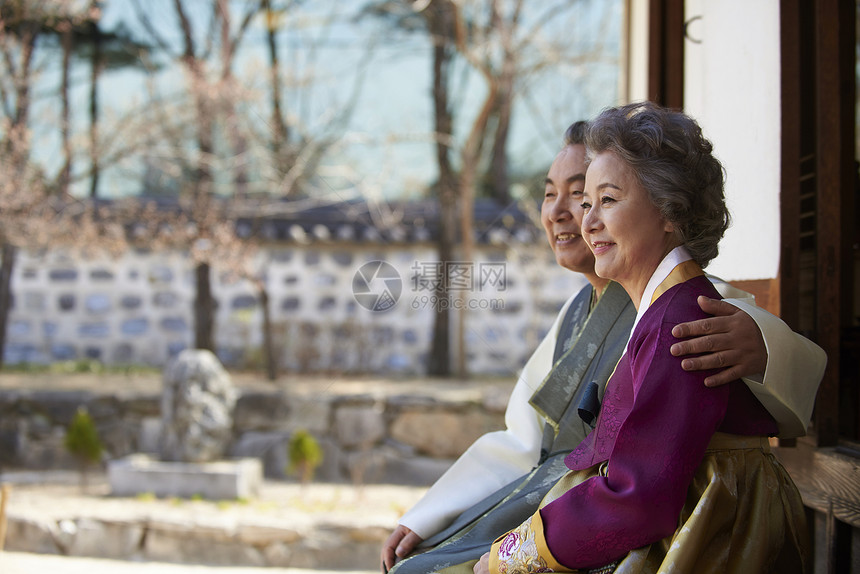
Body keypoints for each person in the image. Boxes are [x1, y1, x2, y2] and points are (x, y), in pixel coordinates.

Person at [381, 120, 825, 574]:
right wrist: (431, 514)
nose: (570, 214)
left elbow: (642, 495)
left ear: (669, 209)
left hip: (631, 515)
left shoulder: (686, 311)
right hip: (567, 501)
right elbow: (522, 440)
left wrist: (763, 346)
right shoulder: (587, 308)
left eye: (594, 197)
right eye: (555, 194)